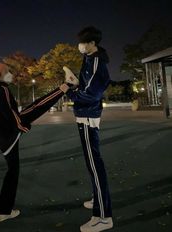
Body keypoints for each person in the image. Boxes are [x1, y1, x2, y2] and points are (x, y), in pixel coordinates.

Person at [0, 62, 78, 223]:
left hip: (3, 136)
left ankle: (3, 211)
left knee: (37, 106)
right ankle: (3, 211)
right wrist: (22, 126)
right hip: (8, 135)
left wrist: (20, 124)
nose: (11, 74)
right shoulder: (3, 90)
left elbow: (5, 114)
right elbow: (10, 113)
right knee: (12, 172)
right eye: (7, 71)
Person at [64, 26, 113, 232]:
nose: (80, 45)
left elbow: (91, 94)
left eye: (84, 42)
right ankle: (98, 199)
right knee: (93, 162)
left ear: (93, 43)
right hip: (85, 114)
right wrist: (75, 85)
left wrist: (70, 93)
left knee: (94, 164)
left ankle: (103, 217)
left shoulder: (96, 62)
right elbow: (85, 87)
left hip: (88, 116)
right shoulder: (90, 59)